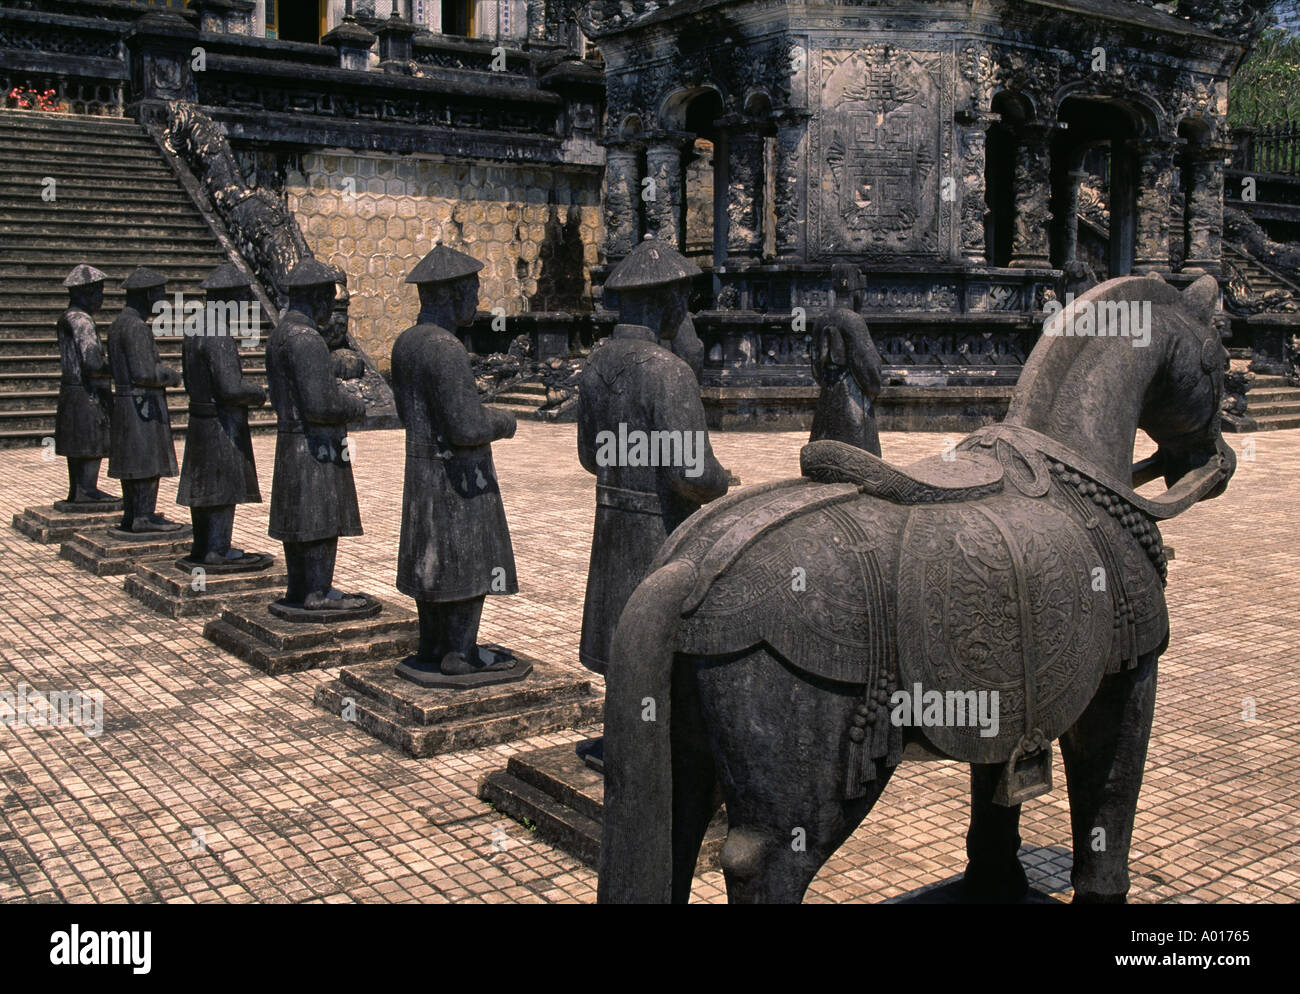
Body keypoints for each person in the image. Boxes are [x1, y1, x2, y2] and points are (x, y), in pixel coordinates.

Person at [577, 234, 731, 764]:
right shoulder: (668, 373)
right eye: (682, 300)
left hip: (613, 516)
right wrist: (722, 481)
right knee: (657, 631)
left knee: (619, 623)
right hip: (661, 528)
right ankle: (650, 743)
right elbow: (692, 474)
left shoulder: (598, 364)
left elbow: (590, 456)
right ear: (667, 301)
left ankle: (618, 733)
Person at [391, 244, 520, 680]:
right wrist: (503, 421)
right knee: (468, 561)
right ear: (449, 294)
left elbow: (408, 413)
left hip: (421, 470)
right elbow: (466, 428)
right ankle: (460, 654)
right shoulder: (444, 347)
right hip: (457, 476)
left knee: (431, 558)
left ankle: (431, 645)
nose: (478, 301)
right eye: (471, 291)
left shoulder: (406, 342)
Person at [265, 258, 367, 611]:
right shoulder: (306, 338)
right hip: (314, 444)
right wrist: (354, 404)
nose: (332, 307)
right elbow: (321, 404)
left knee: (300, 520)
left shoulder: (281, 333)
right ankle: (316, 593)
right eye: (328, 298)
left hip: (290, 440)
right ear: (316, 298)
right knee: (319, 520)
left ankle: (301, 589)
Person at [176, 263, 267, 566]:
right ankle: (217, 549)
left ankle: (204, 546)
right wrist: (257, 393)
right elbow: (229, 388)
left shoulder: (195, 326)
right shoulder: (218, 332)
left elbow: (189, 378)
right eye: (242, 297)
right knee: (221, 488)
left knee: (205, 489)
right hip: (219, 422)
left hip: (200, 418)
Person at [107, 267, 185, 532]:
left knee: (134, 463)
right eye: (159, 294)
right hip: (141, 405)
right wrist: (171, 375)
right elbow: (144, 373)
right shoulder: (136, 327)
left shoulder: (119, 323)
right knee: (145, 463)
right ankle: (143, 516)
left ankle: (133, 514)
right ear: (148, 294)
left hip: (127, 403)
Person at [55, 264, 116, 506]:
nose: (101, 297)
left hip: (72, 389)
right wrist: (118, 367)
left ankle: (80, 489)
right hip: (86, 390)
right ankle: (86, 490)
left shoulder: (67, 317)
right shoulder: (82, 320)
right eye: (98, 291)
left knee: (80, 442)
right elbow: (92, 362)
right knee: (89, 441)